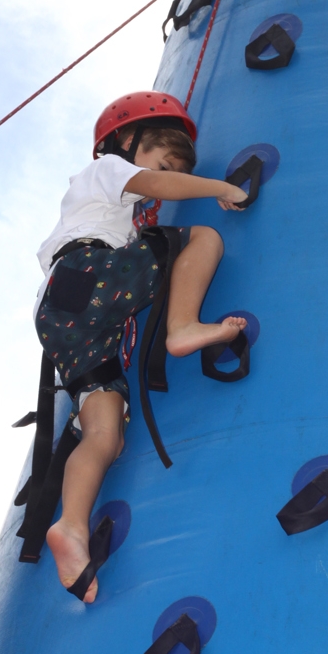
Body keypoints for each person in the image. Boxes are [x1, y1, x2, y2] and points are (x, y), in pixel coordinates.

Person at [33, 91, 249, 603]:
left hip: (67, 321)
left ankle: (71, 526)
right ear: (127, 141)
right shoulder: (105, 171)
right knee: (199, 238)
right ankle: (183, 326)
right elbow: (153, 184)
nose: (167, 177)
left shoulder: (114, 217)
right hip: (88, 275)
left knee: (104, 433)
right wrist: (222, 187)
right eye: (164, 160)